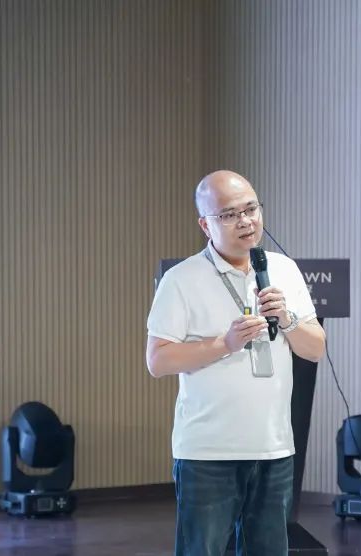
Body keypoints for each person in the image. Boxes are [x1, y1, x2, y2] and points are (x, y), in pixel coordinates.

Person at [146, 170, 326, 556]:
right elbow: (158, 360)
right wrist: (225, 344)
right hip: (208, 453)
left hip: (273, 448)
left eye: (251, 209)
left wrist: (288, 319)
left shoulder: (283, 269)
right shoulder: (181, 279)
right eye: (229, 214)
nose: (245, 221)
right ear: (205, 225)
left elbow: (315, 350)